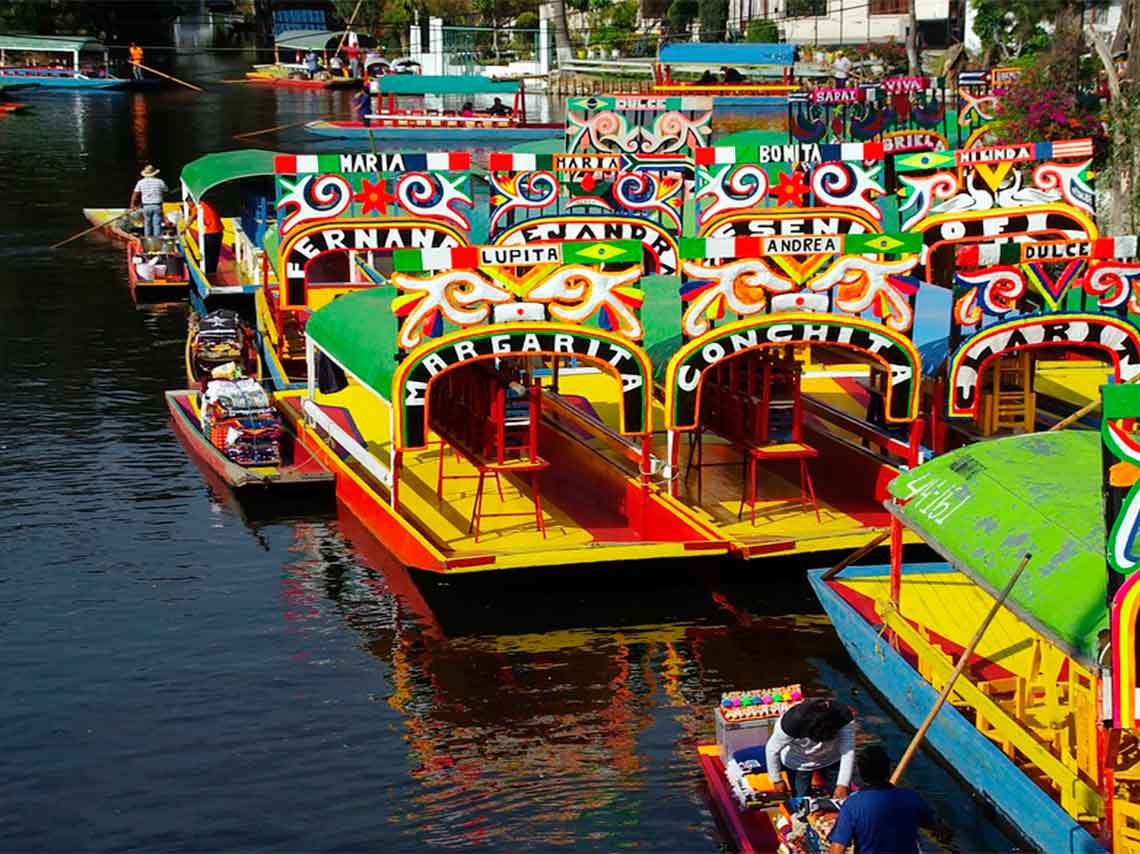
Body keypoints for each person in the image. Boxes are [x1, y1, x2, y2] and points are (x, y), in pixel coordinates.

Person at [828, 746, 934, 854]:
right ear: (889, 769)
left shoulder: (852, 805)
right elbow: (935, 828)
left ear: (861, 773)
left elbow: (837, 850)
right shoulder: (912, 797)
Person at [766, 697, 855, 798]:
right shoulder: (790, 723)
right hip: (798, 763)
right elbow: (772, 750)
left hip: (832, 759)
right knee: (802, 800)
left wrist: (843, 784)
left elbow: (848, 750)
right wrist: (777, 780)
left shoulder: (843, 715)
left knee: (842, 797)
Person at [129, 165, 168, 238]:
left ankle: (148, 240)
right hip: (157, 205)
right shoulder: (160, 181)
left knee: (147, 224)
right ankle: (157, 241)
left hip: (146, 206)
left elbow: (135, 194)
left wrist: (132, 204)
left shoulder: (141, 182)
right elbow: (166, 192)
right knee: (157, 224)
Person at [188, 199, 224, 276]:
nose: (188, 206)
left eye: (188, 204)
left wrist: (183, 228)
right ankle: (212, 271)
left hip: (211, 232)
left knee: (206, 252)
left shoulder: (197, 207)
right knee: (215, 252)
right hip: (219, 230)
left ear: (191, 201)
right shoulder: (205, 203)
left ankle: (206, 271)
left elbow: (190, 219)